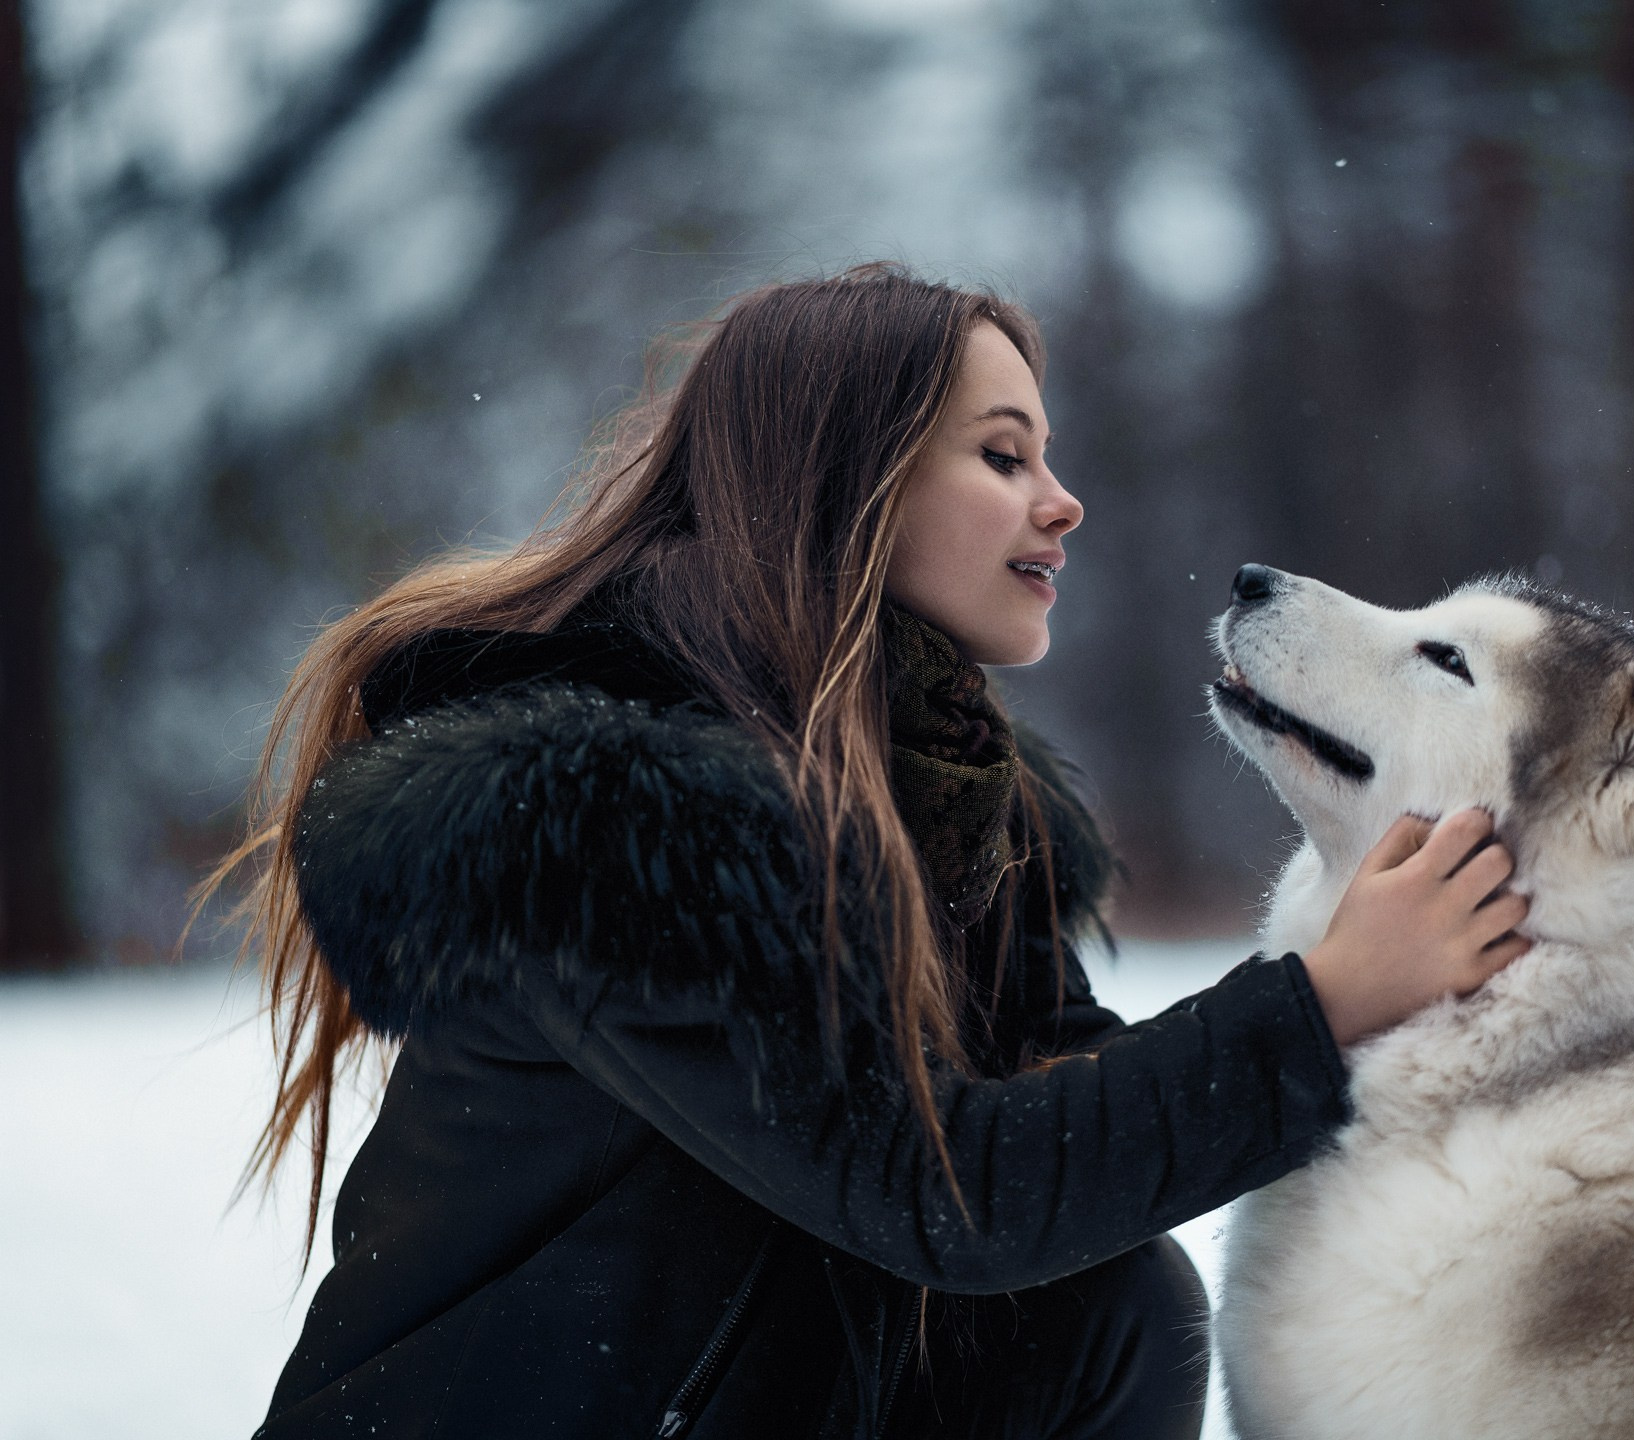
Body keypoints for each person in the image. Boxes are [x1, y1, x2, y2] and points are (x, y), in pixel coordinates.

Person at [216, 263, 1530, 1439]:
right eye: (1004, 458)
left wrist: (1357, 991)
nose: (1063, 505)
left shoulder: (946, 792)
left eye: (1049, 458)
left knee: (1111, 1308)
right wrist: (1323, 1003)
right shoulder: (620, 825)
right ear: (854, 482)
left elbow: (1054, 1102)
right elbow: (945, 1190)